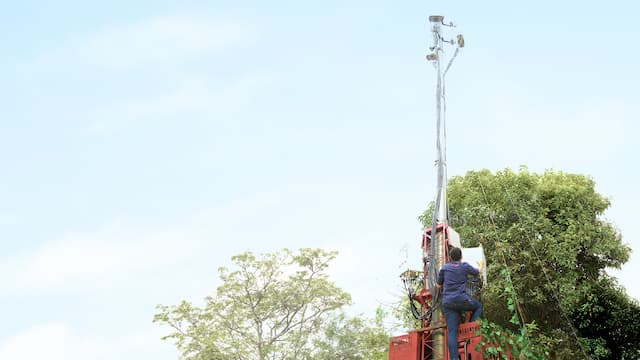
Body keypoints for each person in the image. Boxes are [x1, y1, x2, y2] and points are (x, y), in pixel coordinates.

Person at [436, 246, 483, 360]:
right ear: (461, 257)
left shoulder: (444, 268)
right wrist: (481, 264)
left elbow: (438, 285)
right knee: (478, 306)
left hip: (448, 303)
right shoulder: (464, 266)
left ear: (450, 258)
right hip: (462, 300)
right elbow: (477, 272)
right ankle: (470, 326)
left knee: (452, 332)